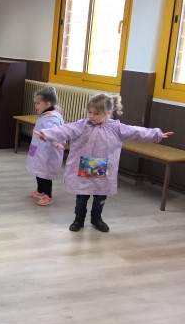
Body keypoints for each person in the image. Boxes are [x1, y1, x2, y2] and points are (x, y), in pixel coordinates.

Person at [34, 93, 173, 232]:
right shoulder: (82, 125)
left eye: (96, 113)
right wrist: (46, 134)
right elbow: (64, 130)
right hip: (84, 165)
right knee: (82, 196)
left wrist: (156, 134)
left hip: (103, 167)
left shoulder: (116, 127)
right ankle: (78, 220)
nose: (91, 116)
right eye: (89, 112)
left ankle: (96, 219)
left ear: (108, 113)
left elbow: (136, 131)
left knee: (100, 195)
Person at [26, 87, 65, 206]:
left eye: (38, 103)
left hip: (48, 152)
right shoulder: (46, 115)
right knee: (38, 170)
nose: (35, 106)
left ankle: (48, 195)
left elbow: (54, 133)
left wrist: (55, 143)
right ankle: (40, 190)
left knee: (46, 173)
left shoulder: (51, 118)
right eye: (35, 103)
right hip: (39, 149)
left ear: (47, 104)